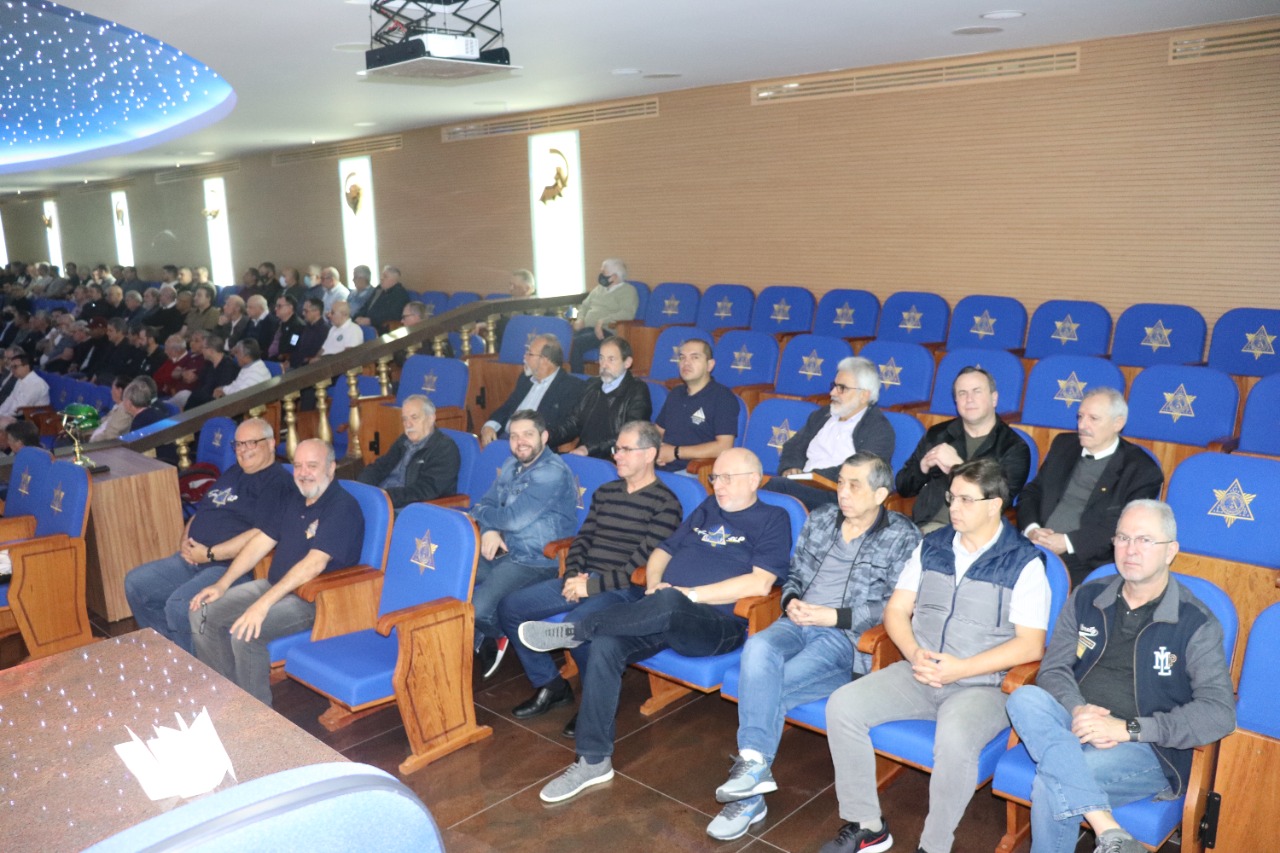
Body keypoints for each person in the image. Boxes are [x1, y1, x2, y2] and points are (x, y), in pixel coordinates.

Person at [520, 447, 792, 804]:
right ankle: (593, 761)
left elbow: (760, 583)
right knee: (606, 646)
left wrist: (687, 595)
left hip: (717, 626)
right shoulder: (708, 507)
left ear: (754, 480)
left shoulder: (773, 518)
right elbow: (663, 550)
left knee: (666, 604)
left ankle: (580, 629)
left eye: (727, 478)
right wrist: (653, 584)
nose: (718, 485)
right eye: (715, 478)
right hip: (663, 612)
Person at [818, 457, 1050, 853]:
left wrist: (961, 669)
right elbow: (896, 610)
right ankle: (867, 825)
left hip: (982, 685)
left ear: (994, 505)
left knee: (955, 739)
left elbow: (1030, 645)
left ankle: (934, 845)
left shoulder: (1023, 562)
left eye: (965, 500)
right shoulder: (932, 546)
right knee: (842, 706)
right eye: (951, 498)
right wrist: (914, 653)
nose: (954, 507)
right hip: (920, 671)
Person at [707, 451, 921, 841]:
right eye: (840, 483)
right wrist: (790, 601)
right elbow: (795, 574)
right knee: (758, 648)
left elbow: (896, 606)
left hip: (843, 638)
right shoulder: (821, 519)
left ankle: (749, 795)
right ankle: (753, 772)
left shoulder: (903, 536)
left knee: (769, 684)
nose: (843, 492)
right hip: (797, 621)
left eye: (854, 485)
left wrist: (833, 617)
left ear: (881, 494)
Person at [1005, 500, 1235, 853]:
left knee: (1051, 785)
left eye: (1145, 540)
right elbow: (1054, 669)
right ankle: (1110, 830)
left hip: (1145, 747)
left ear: (1170, 551)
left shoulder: (1196, 622)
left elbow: (1219, 712)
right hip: (1075, 723)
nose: (1131, 549)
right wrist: (1078, 709)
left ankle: (1103, 828)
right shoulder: (1088, 597)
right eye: (1123, 538)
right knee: (1024, 697)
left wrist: (1128, 729)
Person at [496, 420, 683, 730]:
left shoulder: (666, 504)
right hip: (584, 579)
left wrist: (591, 587)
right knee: (510, 607)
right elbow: (582, 540)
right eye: (616, 449)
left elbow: (640, 566)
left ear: (650, 454)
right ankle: (552, 686)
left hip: (624, 589)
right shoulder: (606, 492)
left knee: (576, 627)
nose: (616, 456)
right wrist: (572, 576)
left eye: (625, 450)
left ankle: (597, 700)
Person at [189, 439, 363, 706]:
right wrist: (222, 584)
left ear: (331, 467)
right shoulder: (293, 497)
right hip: (276, 588)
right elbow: (261, 541)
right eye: (298, 466)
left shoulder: (342, 507)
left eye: (312, 466)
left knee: (246, 633)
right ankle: (228, 698)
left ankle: (255, 715)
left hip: (315, 601)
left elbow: (314, 564)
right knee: (202, 611)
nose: (303, 473)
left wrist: (262, 605)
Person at [124, 418, 293, 654]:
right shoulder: (233, 471)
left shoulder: (278, 483)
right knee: (136, 584)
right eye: (238, 444)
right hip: (193, 558)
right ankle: (172, 653)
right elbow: (204, 509)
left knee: (180, 605)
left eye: (251, 443)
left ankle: (195, 668)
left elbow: (259, 535)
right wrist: (185, 541)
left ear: (272, 443)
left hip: (229, 567)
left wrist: (210, 554)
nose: (243, 450)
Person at [468, 409, 578, 677]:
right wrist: (490, 529)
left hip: (537, 559)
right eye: (514, 436)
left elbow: (513, 519)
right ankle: (476, 634)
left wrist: (490, 520)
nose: (520, 442)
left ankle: (497, 632)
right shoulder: (510, 465)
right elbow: (484, 503)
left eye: (528, 434)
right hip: (505, 550)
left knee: (479, 609)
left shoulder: (551, 472)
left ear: (544, 436)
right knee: (455, 580)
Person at [1018, 388, 1164, 587]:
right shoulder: (1063, 445)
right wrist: (1032, 529)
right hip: (1035, 545)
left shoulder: (1141, 470)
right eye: (1080, 416)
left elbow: (1125, 526)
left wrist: (1067, 542)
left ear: (1118, 423)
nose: (1082, 425)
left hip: (1087, 561)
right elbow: (1033, 492)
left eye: (1093, 419)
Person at [896, 366, 1031, 533]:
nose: (969, 399)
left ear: (994, 398)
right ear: (956, 401)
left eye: (977, 391)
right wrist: (922, 468)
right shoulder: (938, 434)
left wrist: (958, 466)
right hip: (924, 527)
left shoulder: (1014, 448)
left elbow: (998, 503)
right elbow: (903, 488)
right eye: (962, 393)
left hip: (972, 534)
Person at [766, 356, 895, 511]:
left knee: (776, 488)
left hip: (839, 494)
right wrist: (790, 467)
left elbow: (862, 470)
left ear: (864, 395)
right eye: (834, 386)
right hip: (804, 484)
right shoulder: (823, 415)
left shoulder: (879, 429)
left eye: (842, 388)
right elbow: (794, 446)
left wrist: (814, 476)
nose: (833, 392)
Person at [549, 336, 651, 459]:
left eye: (611, 359)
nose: (604, 365)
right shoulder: (592, 385)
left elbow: (630, 435)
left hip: (615, 459)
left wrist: (589, 449)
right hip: (584, 455)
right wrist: (547, 435)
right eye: (601, 358)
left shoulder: (637, 390)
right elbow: (573, 423)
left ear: (627, 362)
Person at [480, 334, 584, 449]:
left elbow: (567, 428)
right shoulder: (525, 379)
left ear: (545, 360)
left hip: (535, 448)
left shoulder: (571, 386)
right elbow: (507, 407)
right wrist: (490, 426)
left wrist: (535, 438)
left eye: (530, 354)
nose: (524, 357)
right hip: (505, 439)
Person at [357, 395, 461, 510]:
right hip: (382, 499)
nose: (408, 424)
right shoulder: (404, 440)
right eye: (405, 419)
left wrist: (385, 496)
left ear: (431, 418)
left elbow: (425, 491)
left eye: (414, 417)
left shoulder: (444, 448)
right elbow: (380, 466)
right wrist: (362, 487)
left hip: (408, 508)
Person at [653, 338, 739, 472]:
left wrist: (676, 452)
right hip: (660, 466)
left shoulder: (723, 397)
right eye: (682, 358)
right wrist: (653, 450)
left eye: (695, 357)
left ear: (710, 365)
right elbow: (658, 431)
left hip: (693, 470)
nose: (686, 363)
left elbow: (724, 446)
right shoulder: (675, 393)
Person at [569, 258, 638, 373]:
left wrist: (602, 321)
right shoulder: (599, 289)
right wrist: (580, 319)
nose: (601, 275)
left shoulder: (628, 291)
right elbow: (584, 306)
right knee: (566, 339)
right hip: (588, 329)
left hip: (606, 332)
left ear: (614, 277)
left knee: (576, 343)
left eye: (603, 273)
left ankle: (576, 377)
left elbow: (627, 313)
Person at [0, 353, 49, 435]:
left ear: (26, 367)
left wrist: (3, 416)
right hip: (19, 415)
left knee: (2, 423)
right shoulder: (21, 380)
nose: (12, 370)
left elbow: (20, 409)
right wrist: (0, 413)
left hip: (31, 420)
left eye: (15, 367)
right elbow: (11, 398)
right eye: (11, 367)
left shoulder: (36, 384)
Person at [353, 265, 410, 335]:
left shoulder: (400, 294)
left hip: (381, 327)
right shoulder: (379, 289)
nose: (381, 278)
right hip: (366, 323)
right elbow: (366, 305)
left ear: (394, 280)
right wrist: (358, 316)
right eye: (382, 275)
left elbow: (392, 314)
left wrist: (371, 320)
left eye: (385, 276)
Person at [287, 297, 328, 370]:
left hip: (308, 368)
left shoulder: (324, 331)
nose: (303, 313)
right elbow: (295, 345)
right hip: (294, 364)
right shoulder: (305, 326)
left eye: (306, 311)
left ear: (316, 312)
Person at [265, 294, 305, 362]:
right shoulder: (277, 323)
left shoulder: (298, 326)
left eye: (279, 306)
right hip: (269, 357)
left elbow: (292, 346)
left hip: (282, 360)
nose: (275, 309)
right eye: (276, 306)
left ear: (290, 307)